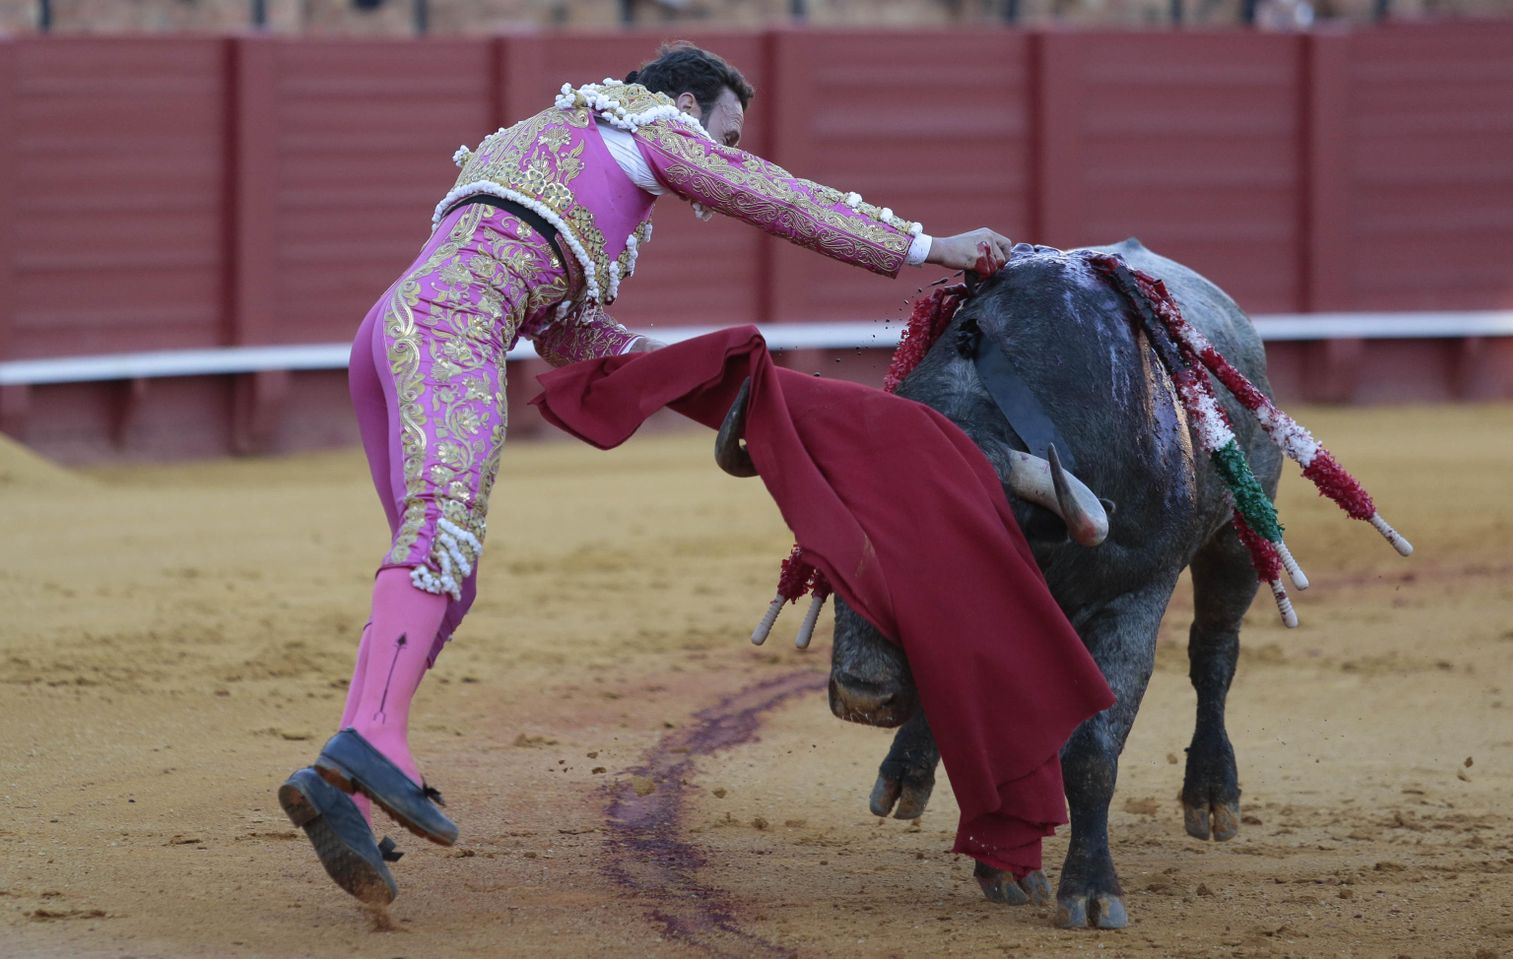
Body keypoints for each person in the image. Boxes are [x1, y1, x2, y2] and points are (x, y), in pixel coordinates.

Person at [277, 41, 1014, 905]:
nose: (724, 154)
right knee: (442, 531)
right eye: (725, 133)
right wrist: (931, 244)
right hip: (452, 324)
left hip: (394, 327)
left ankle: (345, 783)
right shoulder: (649, 122)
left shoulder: (551, 137)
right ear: (686, 105)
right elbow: (775, 197)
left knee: (447, 570)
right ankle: (374, 740)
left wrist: (690, 369)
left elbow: (564, 330)